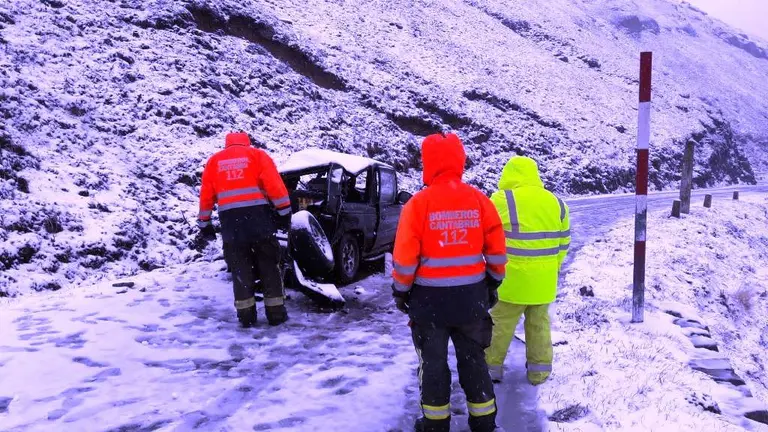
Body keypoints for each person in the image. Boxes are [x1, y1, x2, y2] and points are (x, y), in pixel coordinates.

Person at [391, 132, 507, 432]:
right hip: (470, 300)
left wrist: (401, 291)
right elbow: (496, 250)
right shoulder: (478, 200)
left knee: (432, 364)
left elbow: (405, 258)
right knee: (473, 360)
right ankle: (483, 421)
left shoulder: (418, 204)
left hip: (429, 303)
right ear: (460, 160)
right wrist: (493, 282)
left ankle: (435, 422)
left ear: (427, 164)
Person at [484, 156, 571, 385]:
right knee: (539, 325)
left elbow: (485, 235)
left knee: (500, 326)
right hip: (544, 281)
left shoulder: (501, 199)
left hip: (511, 280)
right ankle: (539, 372)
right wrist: (551, 266)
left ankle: (491, 370)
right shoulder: (556, 202)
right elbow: (564, 241)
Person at [197, 132, 293, 327]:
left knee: (240, 268)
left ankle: (246, 317)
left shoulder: (214, 161)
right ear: (246, 142)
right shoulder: (257, 156)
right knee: (268, 264)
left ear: (227, 144)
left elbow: (206, 194)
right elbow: (275, 185)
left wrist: (204, 223)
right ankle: (276, 314)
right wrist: (285, 212)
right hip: (259, 219)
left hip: (231, 224)